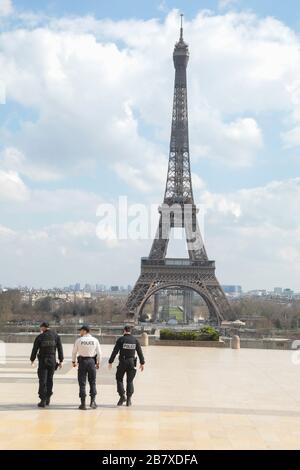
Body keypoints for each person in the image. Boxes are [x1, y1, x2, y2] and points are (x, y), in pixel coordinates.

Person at [108, 325, 145, 407]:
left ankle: (122, 396)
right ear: (130, 331)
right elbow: (139, 352)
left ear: (124, 330)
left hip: (123, 362)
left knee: (119, 378)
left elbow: (115, 351)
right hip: (132, 362)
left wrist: (110, 361)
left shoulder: (121, 340)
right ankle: (129, 400)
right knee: (130, 381)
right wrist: (142, 363)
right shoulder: (135, 340)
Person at [30, 321, 64, 408]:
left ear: (43, 327)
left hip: (43, 361)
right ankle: (48, 397)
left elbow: (35, 349)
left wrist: (32, 359)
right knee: (50, 379)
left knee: (42, 380)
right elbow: (60, 349)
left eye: (41, 327)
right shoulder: (56, 336)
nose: (40, 329)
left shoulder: (40, 337)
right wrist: (61, 360)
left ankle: (43, 400)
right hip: (52, 361)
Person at [72, 325, 101, 410]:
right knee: (92, 382)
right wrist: (98, 362)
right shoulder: (95, 340)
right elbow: (99, 353)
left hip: (82, 362)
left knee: (82, 383)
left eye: (80, 331)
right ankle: (92, 402)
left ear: (85, 331)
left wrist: (73, 362)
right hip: (92, 361)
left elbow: (74, 352)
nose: (79, 332)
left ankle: (83, 403)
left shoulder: (79, 340)